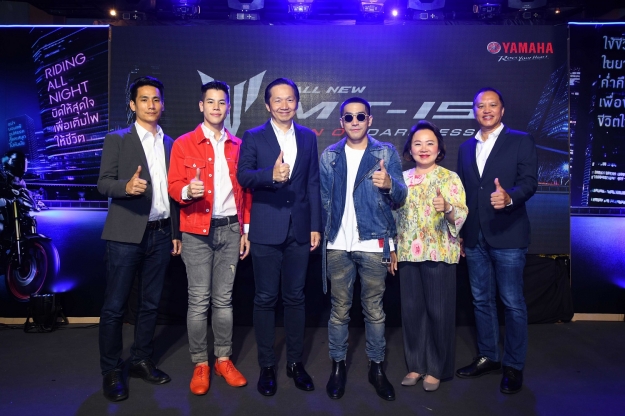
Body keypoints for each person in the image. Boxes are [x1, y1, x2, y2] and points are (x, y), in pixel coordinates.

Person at [97, 76, 181, 402]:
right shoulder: (117, 139)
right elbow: (103, 183)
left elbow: (173, 193)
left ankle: (141, 359)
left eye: (156, 99)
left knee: (150, 303)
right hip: (125, 233)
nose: (151, 105)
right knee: (115, 306)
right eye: (144, 99)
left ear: (162, 104)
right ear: (133, 105)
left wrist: (175, 233)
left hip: (161, 233)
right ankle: (111, 369)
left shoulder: (170, 143)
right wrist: (126, 187)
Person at [237, 77, 322, 397]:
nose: (284, 105)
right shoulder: (253, 136)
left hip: (300, 229)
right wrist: (269, 175)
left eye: (290, 100)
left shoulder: (308, 136)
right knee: (264, 298)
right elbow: (243, 176)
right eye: (278, 100)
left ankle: (296, 363)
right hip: (266, 229)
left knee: (296, 297)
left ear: (297, 103)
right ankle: (267, 365)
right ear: (267, 104)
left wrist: (315, 224)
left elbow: (312, 182)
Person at [320, 97, 407, 401]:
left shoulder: (385, 152)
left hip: (373, 243)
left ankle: (377, 367)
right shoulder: (329, 155)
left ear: (370, 120)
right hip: (337, 245)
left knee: (374, 311)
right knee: (339, 311)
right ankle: (338, 366)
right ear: (341, 122)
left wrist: (390, 184)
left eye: (360, 116)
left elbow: (401, 196)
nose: (354, 122)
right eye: (348, 117)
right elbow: (323, 200)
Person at [168, 81, 251, 396]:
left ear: (228, 107)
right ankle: (200, 363)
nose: (216, 107)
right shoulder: (183, 143)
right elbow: (173, 185)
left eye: (221, 102)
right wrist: (188, 190)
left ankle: (223, 359)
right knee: (198, 300)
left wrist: (245, 230)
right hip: (196, 230)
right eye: (211, 102)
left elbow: (246, 193)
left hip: (230, 229)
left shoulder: (238, 145)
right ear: (201, 106)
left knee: (224, 301)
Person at [455, 87, 538, 394]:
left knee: (512, 303)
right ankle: (489, 356)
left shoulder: (521, 140)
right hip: (474, 236)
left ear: (502, 110)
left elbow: (529, 183)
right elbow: (462, 194)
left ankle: (513, 365)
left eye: (492, 105)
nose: (486, 110)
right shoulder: (465, 147)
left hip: (509, 234)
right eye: (480, 106)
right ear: (474, 111)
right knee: (481, 300)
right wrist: (460, 234)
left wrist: (509, 197)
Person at [394, 121, 468, 392]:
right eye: (418, 143)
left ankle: (436, 369)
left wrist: (447, 207)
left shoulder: (450, 178)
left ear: (439, 149)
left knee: (439, 312)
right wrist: (392, 249)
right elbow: (392, 216)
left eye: (430, 143)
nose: (423, 148)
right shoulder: (401, 179)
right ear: (410, 150)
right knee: (412, 312)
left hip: (440, 252)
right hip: (407, 253)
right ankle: (416, 365)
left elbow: (461, 215)